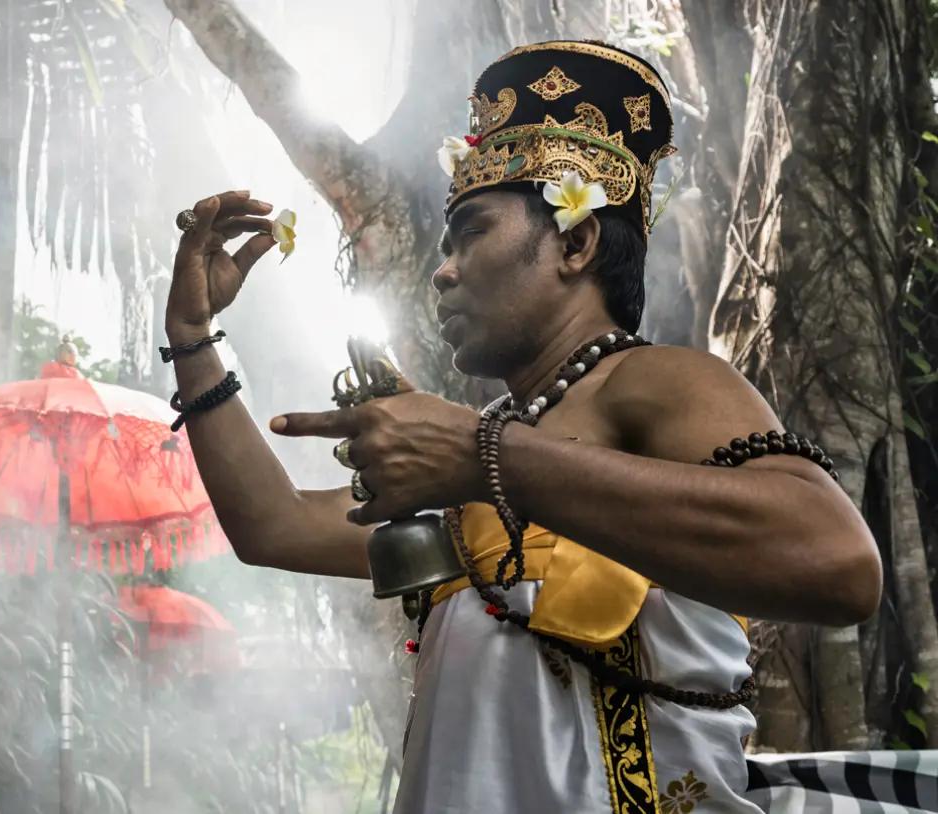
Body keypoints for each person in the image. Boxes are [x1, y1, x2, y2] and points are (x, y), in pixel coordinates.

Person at [162, 41, 882, 813]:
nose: (443, 271)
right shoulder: (480, 451)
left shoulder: (653, 381)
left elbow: (838, 562)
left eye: (472, 233)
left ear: (575, 242)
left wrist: (484, 456)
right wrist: (193, 337)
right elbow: (274, 526)